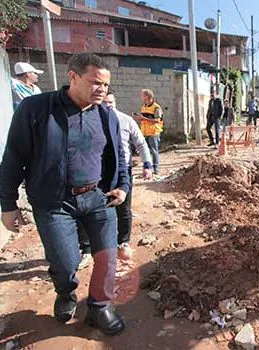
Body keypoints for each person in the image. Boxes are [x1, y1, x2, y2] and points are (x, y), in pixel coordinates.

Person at [0, 53, 129, 335]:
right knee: (64, 260)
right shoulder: (35, 109)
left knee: (107, 255)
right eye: (95, 82)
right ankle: (66, 292)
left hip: (98, 197)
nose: (102, 90)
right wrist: (8, 204)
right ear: (72, 77)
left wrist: (122, 186)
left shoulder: (107, 116)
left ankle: (100, 306)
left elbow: (118, 155)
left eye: (105, 85)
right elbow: (13, 157)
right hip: (54, 203)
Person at [78, 91, 153, 269]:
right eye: (104, 103)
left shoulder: (125, 120)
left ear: (115, 102)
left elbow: (140, 143)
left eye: (110, 102)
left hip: (121, 171)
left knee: (123, 208)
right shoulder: (89, 120)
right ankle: (87, 249)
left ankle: (122, 241)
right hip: (97, 174)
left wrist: (147, 164)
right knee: (88, 211)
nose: (108, 106)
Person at [134, 89, 163, 175]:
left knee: (154, 151)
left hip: (153, 132)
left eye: (143, 95)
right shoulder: (143, 107)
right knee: (144, 151)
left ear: (148, 96)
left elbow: (157, 120)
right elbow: (144, 120)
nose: (142, 97)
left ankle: (156, 169)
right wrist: (138, 118)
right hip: (144, 132)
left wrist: (144, 118)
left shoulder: (156, 108)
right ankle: (147, 168)